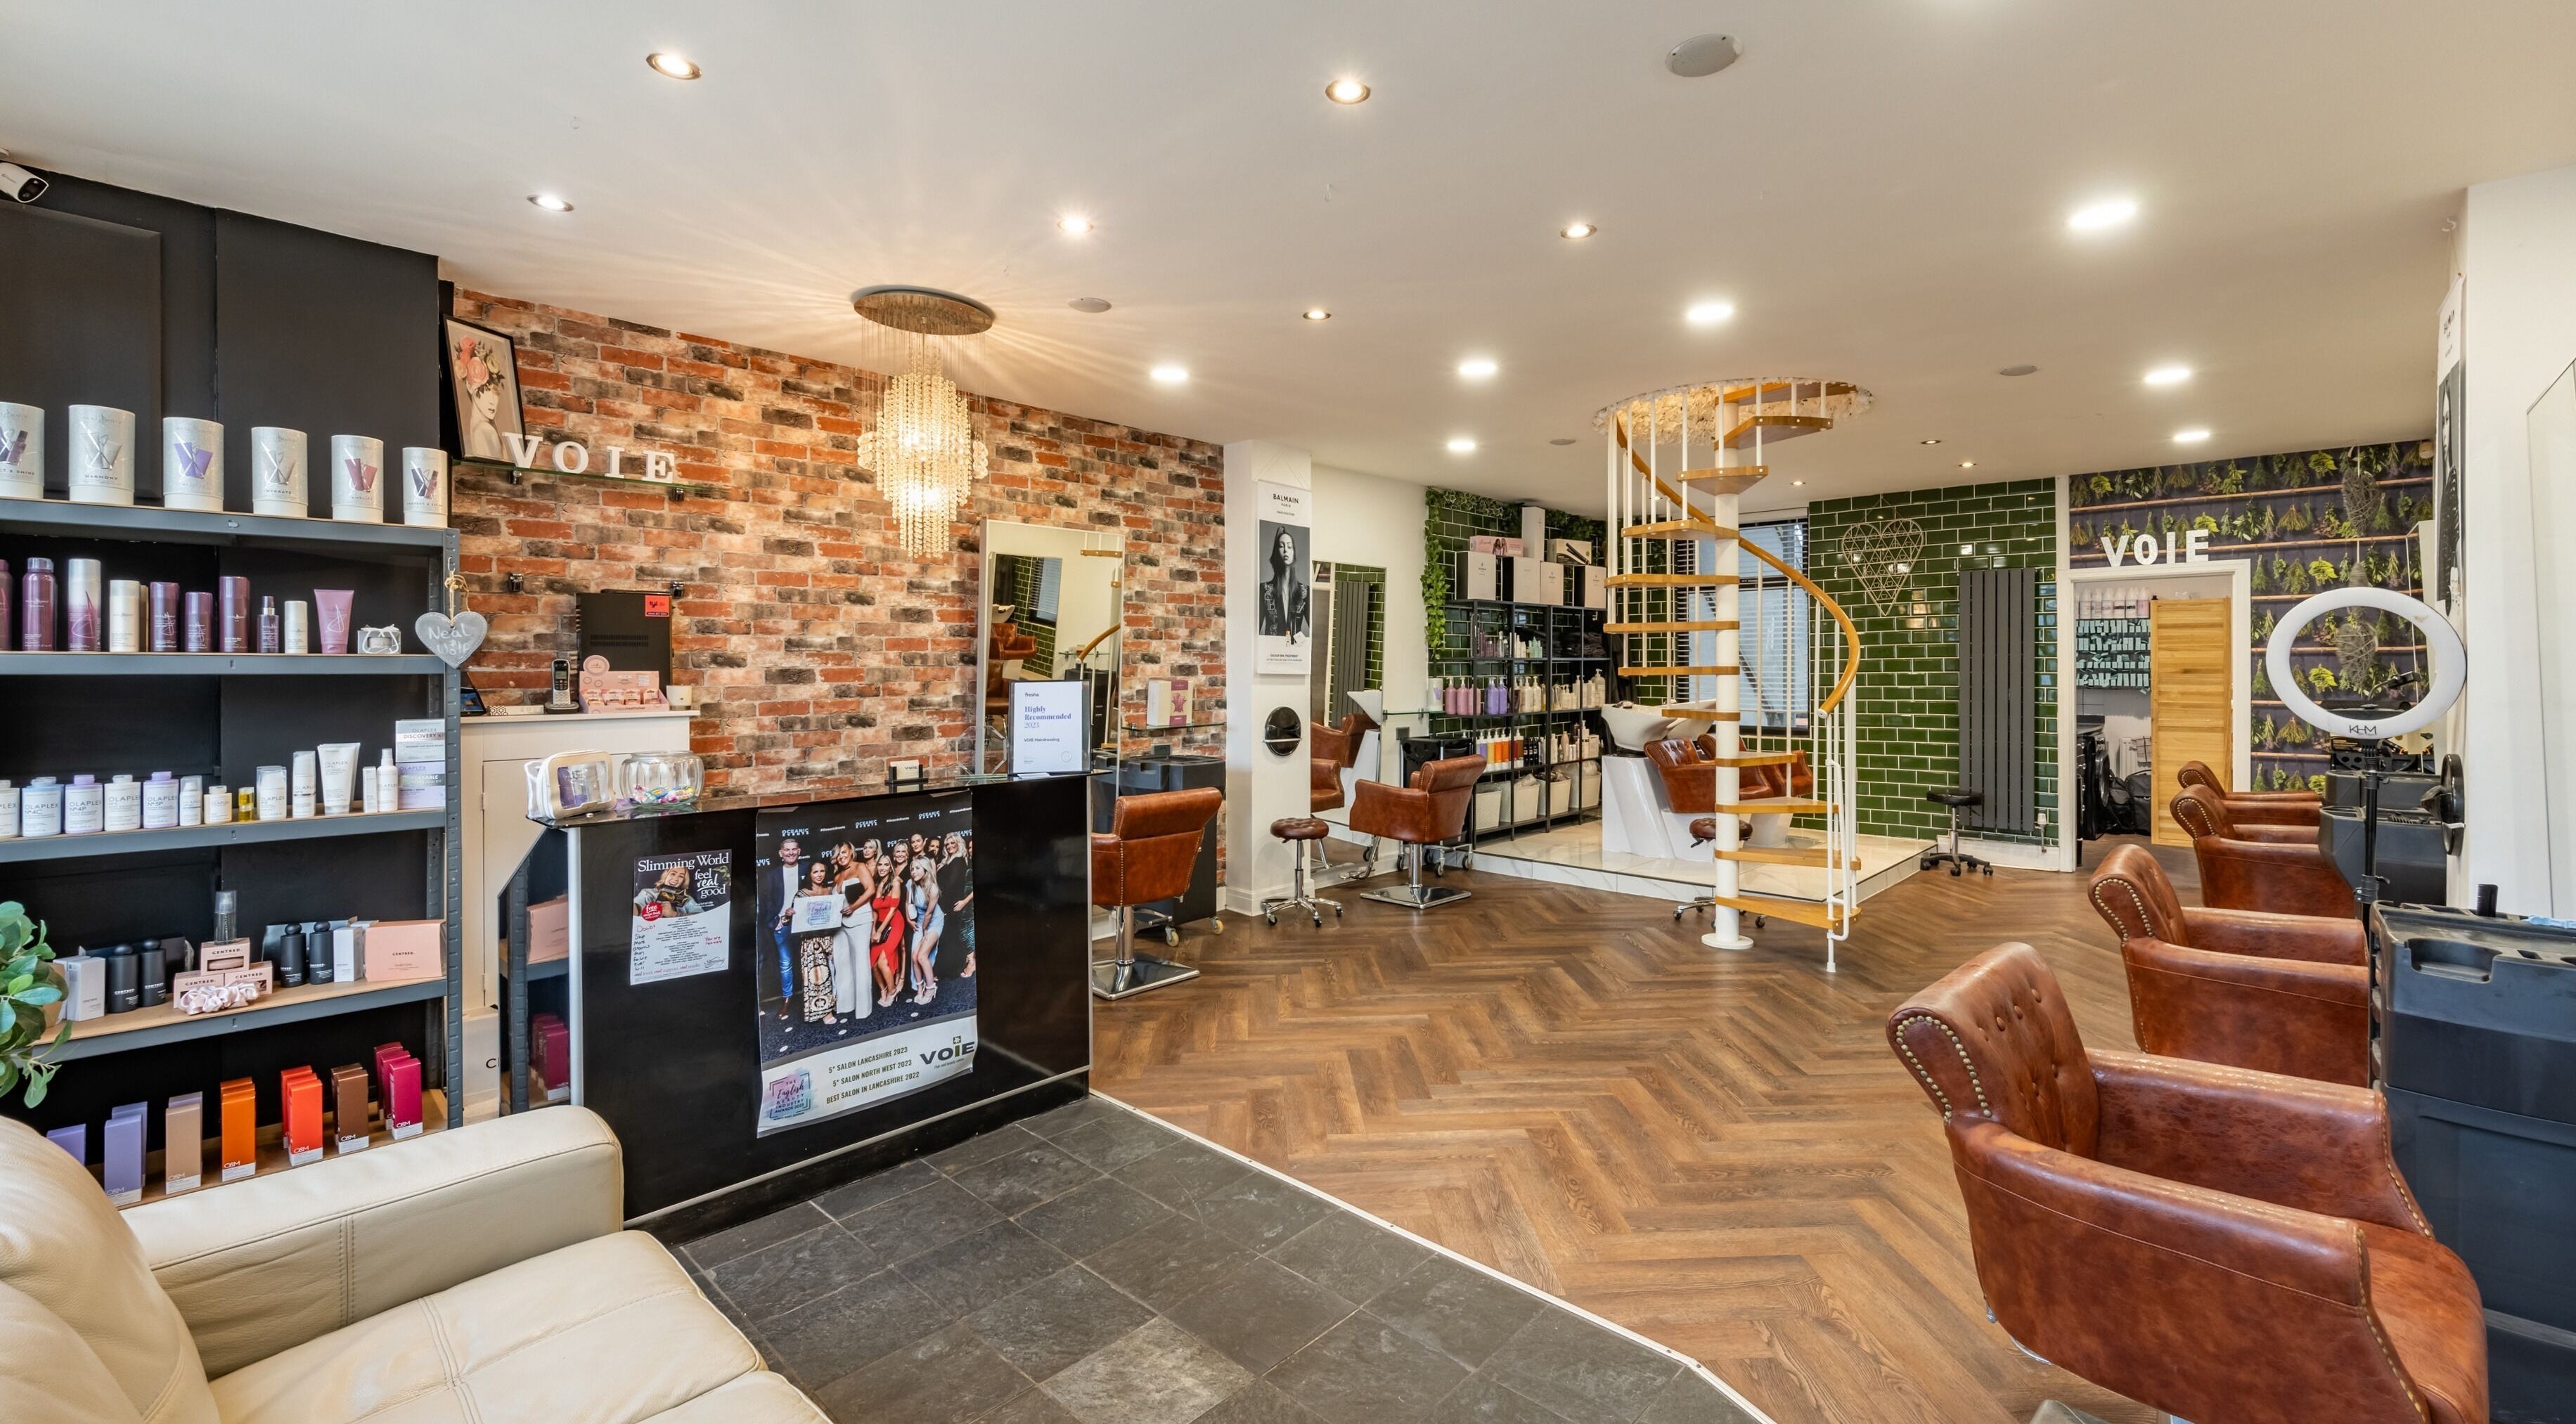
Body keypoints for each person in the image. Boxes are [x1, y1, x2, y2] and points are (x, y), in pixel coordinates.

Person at [870, 839, 910, 1007]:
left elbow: (893, 910)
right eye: (880, 865)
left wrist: (880, 931)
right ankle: (883, 990)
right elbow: (874, 910)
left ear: (890, 866)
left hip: (894, 923)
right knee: (872, 963)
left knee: (882, 961)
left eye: (886, 865)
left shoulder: (895, 882)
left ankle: (892, 991)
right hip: (879, 924)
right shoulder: (877, 883)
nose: (883, 868)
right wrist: (873, 930)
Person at [767, 838, 804, 1021]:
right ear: (780, 853)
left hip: (805, 924)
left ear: (799, 851)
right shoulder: (772, 875)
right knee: (786, 964)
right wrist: (776, 922)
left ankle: (811, 997)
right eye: (787, 850)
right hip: (783, 925)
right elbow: (768, 905)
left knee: (808, 961)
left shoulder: (807, 869)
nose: (790, 852)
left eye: (794, 849)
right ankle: (787, 999)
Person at [831, 879, 871, 1023]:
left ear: (850, 854)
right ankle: (846, 1005)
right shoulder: (837, 874)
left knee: (860, 963)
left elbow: (871, 889)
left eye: (844, 853)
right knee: (842, 964)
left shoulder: (859, 867)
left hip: (860, 919)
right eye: (839, 853)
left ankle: (863, 1009)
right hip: (840, 923)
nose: (842, 855)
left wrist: (853, 907)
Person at [1258, 526, 1308, 641]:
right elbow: (1254, 631)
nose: (1286, 550)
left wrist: (1302, 645)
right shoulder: (1265, 589)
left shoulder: (1304, 591)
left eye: (1289, 547)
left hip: (1294, 656)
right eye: (1281, 546)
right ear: (1276, 552)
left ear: (1294, 552)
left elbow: (1313, 633)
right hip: (1270, 653)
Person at [906, 853, 943, 1006]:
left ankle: (931, 988)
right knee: (914, 957)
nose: (914, 871)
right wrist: (909, 920)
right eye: (912, 869)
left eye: (917, 868)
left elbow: (929, 913)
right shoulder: (911, 884)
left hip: (933, 922)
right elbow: (908, 904)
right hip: (921, 923)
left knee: (922, 956)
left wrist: (925, 929)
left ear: (926, 870)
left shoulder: (933, 889)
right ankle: (919, 987)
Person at [937, 831, 974, 980]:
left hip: (954, 904)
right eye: (947, 844)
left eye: (953, 843)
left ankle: (959, 967)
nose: (950, 846)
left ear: (959, 843)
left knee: (953, 936)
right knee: (949, 937)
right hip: (945, 905)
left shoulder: (959, 860)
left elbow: (951, 886)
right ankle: (949, 969)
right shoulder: (947, 861)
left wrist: (947, 907)